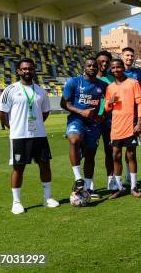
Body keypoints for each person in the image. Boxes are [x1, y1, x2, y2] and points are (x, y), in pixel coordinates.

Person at [0, 58, 59, 214]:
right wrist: (13, 127)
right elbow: (2, 113)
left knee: (45, 165)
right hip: (19, 136)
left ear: (34, 70)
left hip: (39, 135)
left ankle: (48, 197)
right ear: (19, 71)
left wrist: (36, 124)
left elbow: (45, 113)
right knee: (18, 168)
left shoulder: (41, 91)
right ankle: (16, 202)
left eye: (30, 68)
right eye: (24, 69)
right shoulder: (10, 90)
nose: (27, 71)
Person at [60, 58, 107, 198]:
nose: (92, 67)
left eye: (94, 66)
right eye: (89, 65)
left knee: (90, 155)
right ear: (84, 67)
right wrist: (81, 112)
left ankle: (87, 188)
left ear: (98, 68)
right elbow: (64, 103)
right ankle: (78, 178)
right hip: (77, 120)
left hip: (93, 124)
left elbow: (110, 102)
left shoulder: (103, 85)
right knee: (74, 140)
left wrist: (102, 115)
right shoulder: (74, 82)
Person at [104, 59, 141, 199]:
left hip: (130, 125)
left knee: (131, 155)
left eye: (118, 67)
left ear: (123, 68)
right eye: (113, 68)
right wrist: (110, 102)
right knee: (116, 155)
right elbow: (107, 108)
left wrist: (139, 123)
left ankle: (134, 187)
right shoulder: (110, 87)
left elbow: (140, 103)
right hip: (116, 126)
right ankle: (119, 187)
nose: (116, 70)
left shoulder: (133, 83)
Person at [96, 51, 117, 190]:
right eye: (101, 61)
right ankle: (87, 183)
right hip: (93, 120)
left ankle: (111, 181)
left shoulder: (112, 79)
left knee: (110, 151)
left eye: (106, 62)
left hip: (109, 120)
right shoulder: (89, 78)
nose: (104, 64)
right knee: (89, 151)